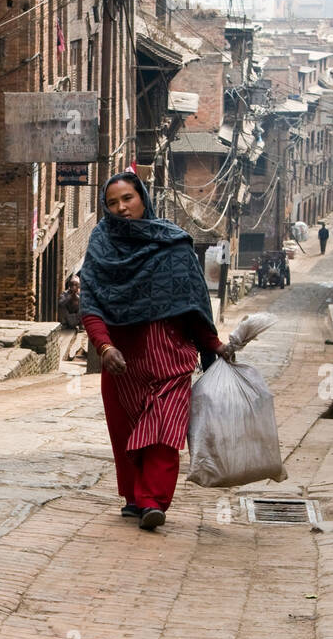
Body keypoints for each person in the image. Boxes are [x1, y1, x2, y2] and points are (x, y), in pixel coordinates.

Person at [80, 171, 235, 532]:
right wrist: (104, 346)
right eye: (112, 203)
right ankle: (135, 498)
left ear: (143, 198)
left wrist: (214, 345)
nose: (121, 208)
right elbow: (91, 303)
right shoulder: (101, 244)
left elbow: (191, 303)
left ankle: (153, 502)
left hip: (170, 357)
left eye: (127, 199)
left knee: (165, 432)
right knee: (129, 435)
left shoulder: (172, 243)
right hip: (122, 363)